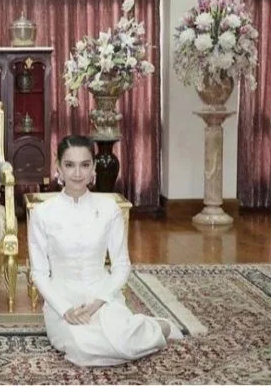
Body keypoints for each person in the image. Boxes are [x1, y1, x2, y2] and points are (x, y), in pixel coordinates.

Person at [28, 135, 183, 367]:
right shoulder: (42, 213)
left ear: (93, 168)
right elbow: (39, 273)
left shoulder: (109, 209)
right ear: (58, 167)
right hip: (63, 303)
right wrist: (65, 309)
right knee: (82, 349)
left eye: (85, 165)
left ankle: (158, 327)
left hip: (103, 296)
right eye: (69, 165)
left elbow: (121, 265)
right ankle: (141, 333)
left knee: (122, 341)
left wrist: (99, 301)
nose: (77, 173)